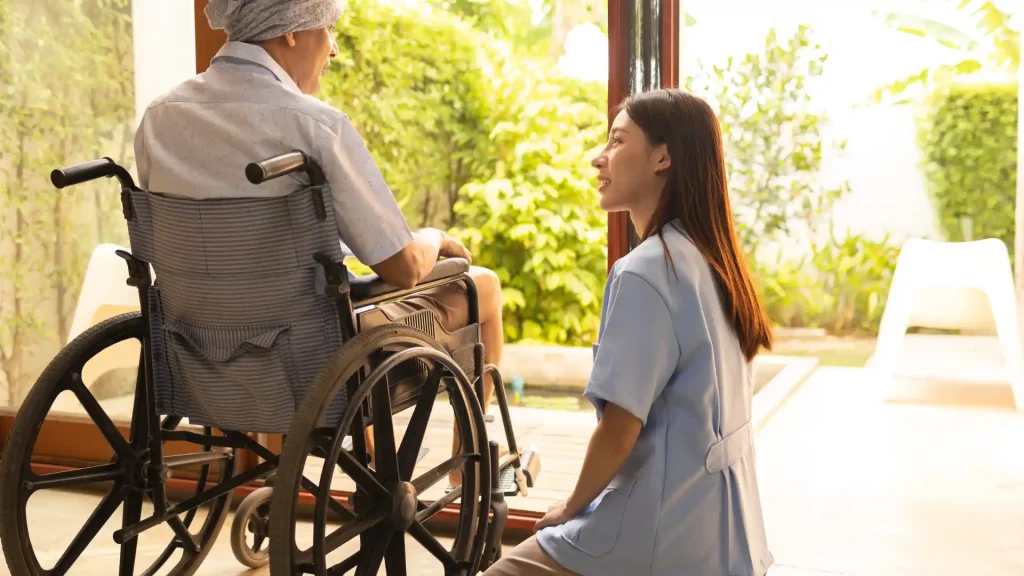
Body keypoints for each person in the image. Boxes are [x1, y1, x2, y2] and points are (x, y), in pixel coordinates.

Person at [133, 0, 505, 482]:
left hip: (193, 351)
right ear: (290, 32)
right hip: (301, 364)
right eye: (328, 29)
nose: (332, 49)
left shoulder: (160, 117)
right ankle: (465, 471)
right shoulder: (313, 124)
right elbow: (404, 268)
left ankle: (367, 466)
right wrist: (431, 236)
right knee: (485, 286)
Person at [483, 88, 776, 576]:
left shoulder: (645, 272)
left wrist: (570, 506)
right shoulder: (712, 260)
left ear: (663, 157)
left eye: (617, 141)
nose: (600, 158)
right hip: (725, 536)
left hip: (656, 536)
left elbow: (619, 430)